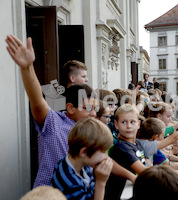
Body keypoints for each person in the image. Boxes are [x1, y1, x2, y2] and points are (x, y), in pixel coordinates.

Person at [5, 34, 136, 188]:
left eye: (95, 109)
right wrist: (27, 67)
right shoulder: (54, 123)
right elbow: (37, 100)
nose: (93, 113)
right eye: (87, 108)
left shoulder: (93, 130)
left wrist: (132, 177)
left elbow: (104, 160)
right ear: (70, 108)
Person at [51, 118, 113, 200]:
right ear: (84, 152)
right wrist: (101, 182)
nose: (106, 157)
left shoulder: (82, 165)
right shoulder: (70, 182)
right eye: (104, 152)